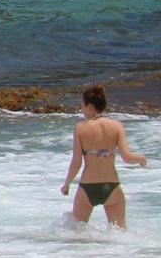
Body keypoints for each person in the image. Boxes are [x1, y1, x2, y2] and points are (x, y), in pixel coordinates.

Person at [62, 84, 148, 228]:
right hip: (111, 187)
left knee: (75, 235)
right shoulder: (116, 126)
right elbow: (127, 157)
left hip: (87, 187)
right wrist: (141, 159)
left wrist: (67, 185)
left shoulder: (80, 128)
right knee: (120, 235)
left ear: (89, 106)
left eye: (82, 106)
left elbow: (76, 162)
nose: (82, 110)